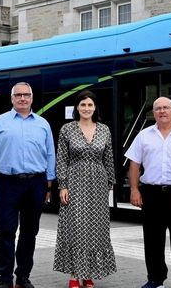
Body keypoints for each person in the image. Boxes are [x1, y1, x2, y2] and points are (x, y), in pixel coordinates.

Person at [0, 82, 56, 288]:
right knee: (5, 231)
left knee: (29, 232)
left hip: (36, 183)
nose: (22, 98)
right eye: (18, 95)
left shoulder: (43, 124)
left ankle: (23, 276)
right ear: (12, 98)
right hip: (7, 183)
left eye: (26, 95)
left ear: (32, 98)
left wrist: (48, 185)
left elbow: (50, 154)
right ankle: (5, 277)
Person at [124, 96, 171, 288]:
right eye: (158, 108)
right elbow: (134, 164)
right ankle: (155, 279)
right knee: (152, 240)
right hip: (151, 194)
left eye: (166, 107)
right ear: (153, 113)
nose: (162, 111)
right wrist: (134, 190)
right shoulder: (144, 136)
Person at [53, 90, 116, 288]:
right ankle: (75, 274)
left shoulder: (104, 129)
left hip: (98, 184)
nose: (86, 108)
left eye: (90, 105)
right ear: (77, 107)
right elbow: (62, 159)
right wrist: (62, 185)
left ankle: (88, 274)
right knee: (76, 228)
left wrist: (109, 184)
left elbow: (109, 158)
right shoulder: (67, 129)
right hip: (74, 182)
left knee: (95, 230)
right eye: (83, 105)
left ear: (95, 107)